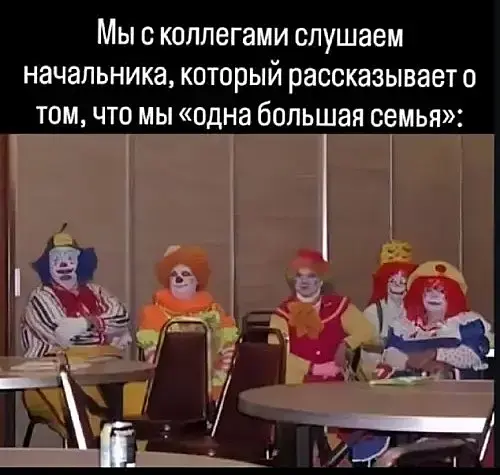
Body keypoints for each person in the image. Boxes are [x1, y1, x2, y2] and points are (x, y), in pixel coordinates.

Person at [269, 249, 389, 465]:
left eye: (311, 276)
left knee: (351, 428)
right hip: (297, 388)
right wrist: (313, 368)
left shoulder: (339, 306)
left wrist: (346, 343)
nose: (304, 282)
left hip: (337, 387)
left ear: (321, 280)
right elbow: (277, 353)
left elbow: (368, 332)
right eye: (299, 276)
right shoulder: (282, 313)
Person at [21, 224, 132, 439]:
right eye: (57, 259)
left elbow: (123, 317)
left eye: (70, 257)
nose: (64, 264)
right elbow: (64, 336)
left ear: (80, 262)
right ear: (48, 265)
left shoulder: (97, 292)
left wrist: (87, 323)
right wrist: (108, 335)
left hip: (106, 374)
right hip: (51, 377)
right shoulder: (40, 298)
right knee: (83, 417)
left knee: (137, 405)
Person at [124, 245, 238, 415]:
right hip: (169, 385)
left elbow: (229, 348)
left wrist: (219, 370)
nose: (179, 279)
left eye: (185, 274)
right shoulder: (155, 313)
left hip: (214, 385)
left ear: (197, 279)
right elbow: (153, 356)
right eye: (173, 275)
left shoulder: (214, 312)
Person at [377, 260, 491, 380]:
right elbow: (389, 354)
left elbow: (473, 355)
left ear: (453, 295)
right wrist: (412, 362)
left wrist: (434, 354)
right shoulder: (405, 324)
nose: (434, 296)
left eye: (441, 291)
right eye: (428, 290)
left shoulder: (467, 322)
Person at [362, 240, 417, 374]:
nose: (398, 286)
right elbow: (367, 355)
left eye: (403, 282)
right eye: (392, 281)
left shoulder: (417, 312)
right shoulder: (373, 313)